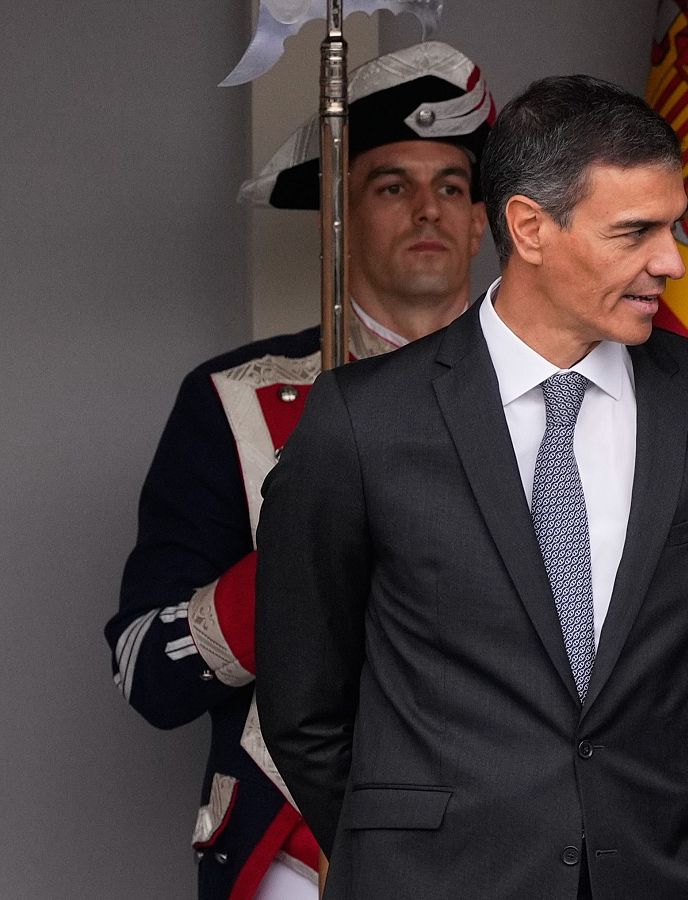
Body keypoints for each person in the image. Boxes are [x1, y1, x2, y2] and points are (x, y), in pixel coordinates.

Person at [253, 74, 688, 899]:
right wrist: (411, 845)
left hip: (661, 874)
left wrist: (639, 811)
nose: (672, 262)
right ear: (530, 227)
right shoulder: (364, 420)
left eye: (672, 227)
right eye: (635, 232)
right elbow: (304, 700)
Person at [105, 42, 494, 899]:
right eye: (392, 185)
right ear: (338, 213)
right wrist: (304, 553)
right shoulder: (231, 401)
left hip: (516, 845)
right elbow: (148, 672)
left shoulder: (563, 401)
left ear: (480, 222)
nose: (428, 209)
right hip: (300, 853)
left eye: (454, 187)